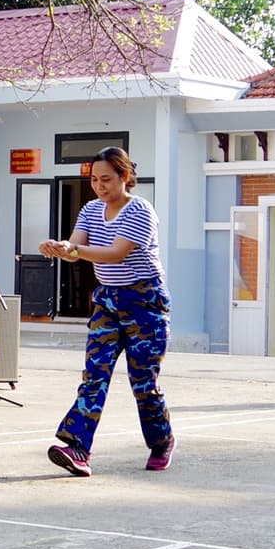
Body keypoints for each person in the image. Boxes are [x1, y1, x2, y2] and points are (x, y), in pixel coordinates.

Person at [40, 147, 173, 476]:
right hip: (107, 301)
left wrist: (74, 249)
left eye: (106, 180)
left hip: (145, 302)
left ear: (125, 177)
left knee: (143, 383)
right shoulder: (90, 209)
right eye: (94, 180)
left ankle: (161, 441)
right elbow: (75, 248)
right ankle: (78, 448)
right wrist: (60, 249)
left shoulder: (140, 210)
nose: (99, 186)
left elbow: (115, 253)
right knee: (94, 375)